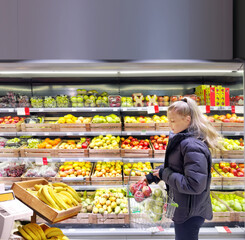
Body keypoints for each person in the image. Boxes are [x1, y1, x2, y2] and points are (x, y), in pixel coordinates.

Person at [144, 97, 221, 240]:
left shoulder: (192, 145)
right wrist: (153, 176)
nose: (169, 124)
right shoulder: (183, 140)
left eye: (173, 121)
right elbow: (176, 167)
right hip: (185, 207)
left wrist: (164, 173)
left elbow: (194, 185)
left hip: (190, 212)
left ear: (187, 119)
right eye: (169, 120)